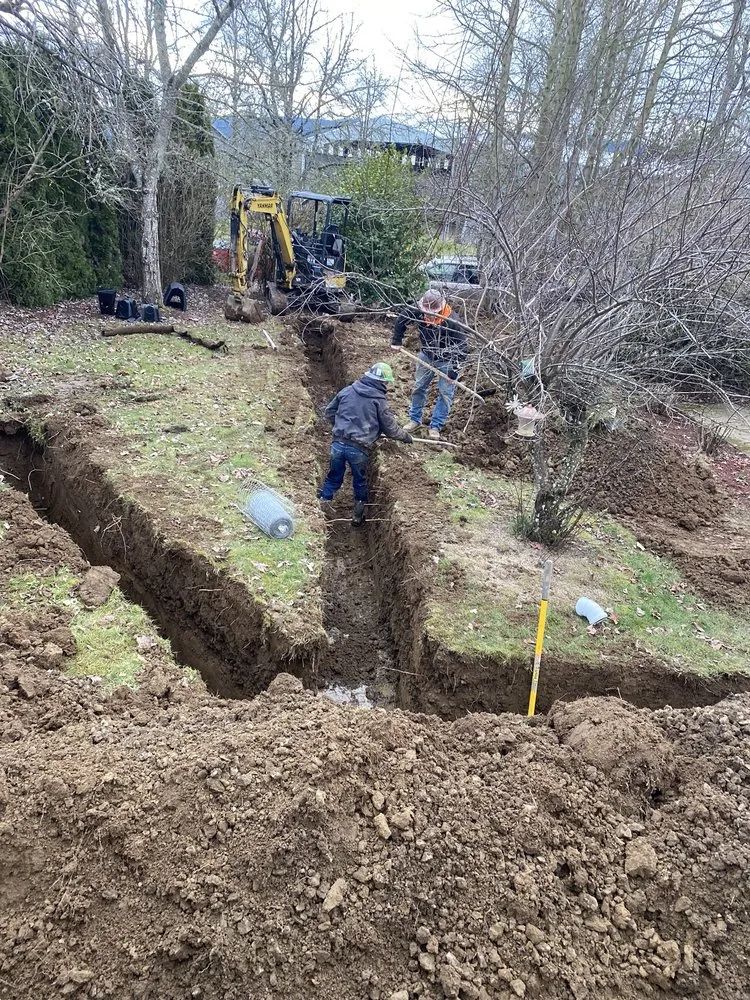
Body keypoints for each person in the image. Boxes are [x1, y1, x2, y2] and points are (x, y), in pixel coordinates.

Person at [319, 362, 413, 525]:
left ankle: (323, 505)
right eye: (386, 382)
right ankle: (358, 515)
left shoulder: (347, 391)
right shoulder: (379, 401)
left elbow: (329, 412)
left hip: (338, 444)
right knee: (359, 480)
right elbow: (390, 429)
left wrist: (339, 426)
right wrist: (405, 436)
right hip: (359, 449)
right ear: (382, 382)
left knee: (334, 477)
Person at [391, 288, 468, 439]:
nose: (427, 316)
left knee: (445, 394)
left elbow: (463, 348)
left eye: (431, 314)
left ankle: (436, 426)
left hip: (447, 360)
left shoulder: (452, 321)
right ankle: (415, 420)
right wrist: (396, 340)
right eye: (425, 313)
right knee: (419, 387)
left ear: (440, 310)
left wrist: (454, 371)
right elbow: (402, 318)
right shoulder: (418, 310)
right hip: (426, 355)